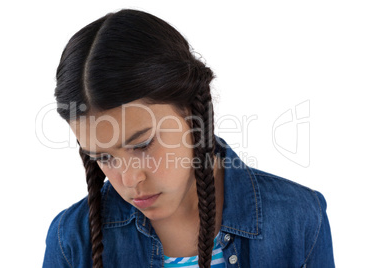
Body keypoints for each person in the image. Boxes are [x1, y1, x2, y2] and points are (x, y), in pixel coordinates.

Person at [42, 9, 335, 268]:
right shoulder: (70, 242)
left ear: (191, 112)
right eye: (103, 157)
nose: (130, 180)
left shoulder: (299, 219)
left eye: (143, 144)